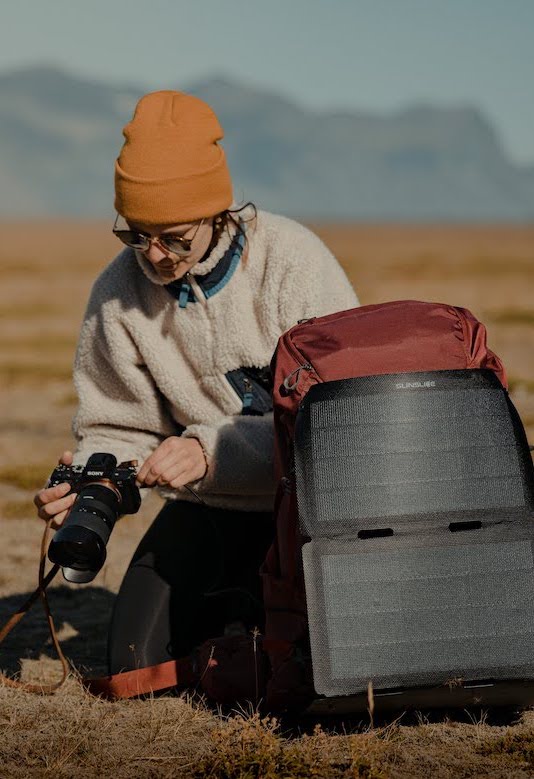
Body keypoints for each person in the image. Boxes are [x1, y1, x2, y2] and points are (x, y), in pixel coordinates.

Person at [33, 90, 359, 674]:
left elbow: (339, 428)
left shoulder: (293, 264)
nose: (153, 255)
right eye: (136, 233)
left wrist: (212, 451)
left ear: (219, 213)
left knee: (313, 659)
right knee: (132, 662)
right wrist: (91, 486)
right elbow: (116, 423)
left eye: (174, 237)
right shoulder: (117, 293)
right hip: (208, 508)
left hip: (307, 513)